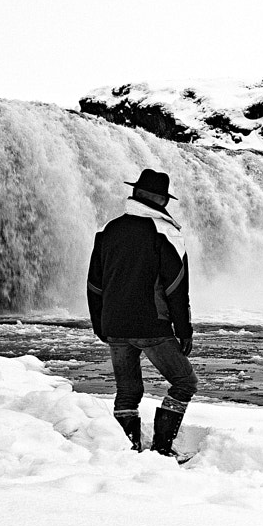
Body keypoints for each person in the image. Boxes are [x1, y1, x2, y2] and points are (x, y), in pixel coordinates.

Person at [87, 168, 197, 457]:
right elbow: (175, 287)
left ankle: (129, 450)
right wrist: (183, 330)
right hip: (152, 325)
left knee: (127, 392)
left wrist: (101, 324)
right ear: (162, 200)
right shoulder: (165, 232)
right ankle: (162, 449)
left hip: (114, 325)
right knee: (184, 382)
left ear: (135, 193)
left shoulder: (109, 230)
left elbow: (94, 285)